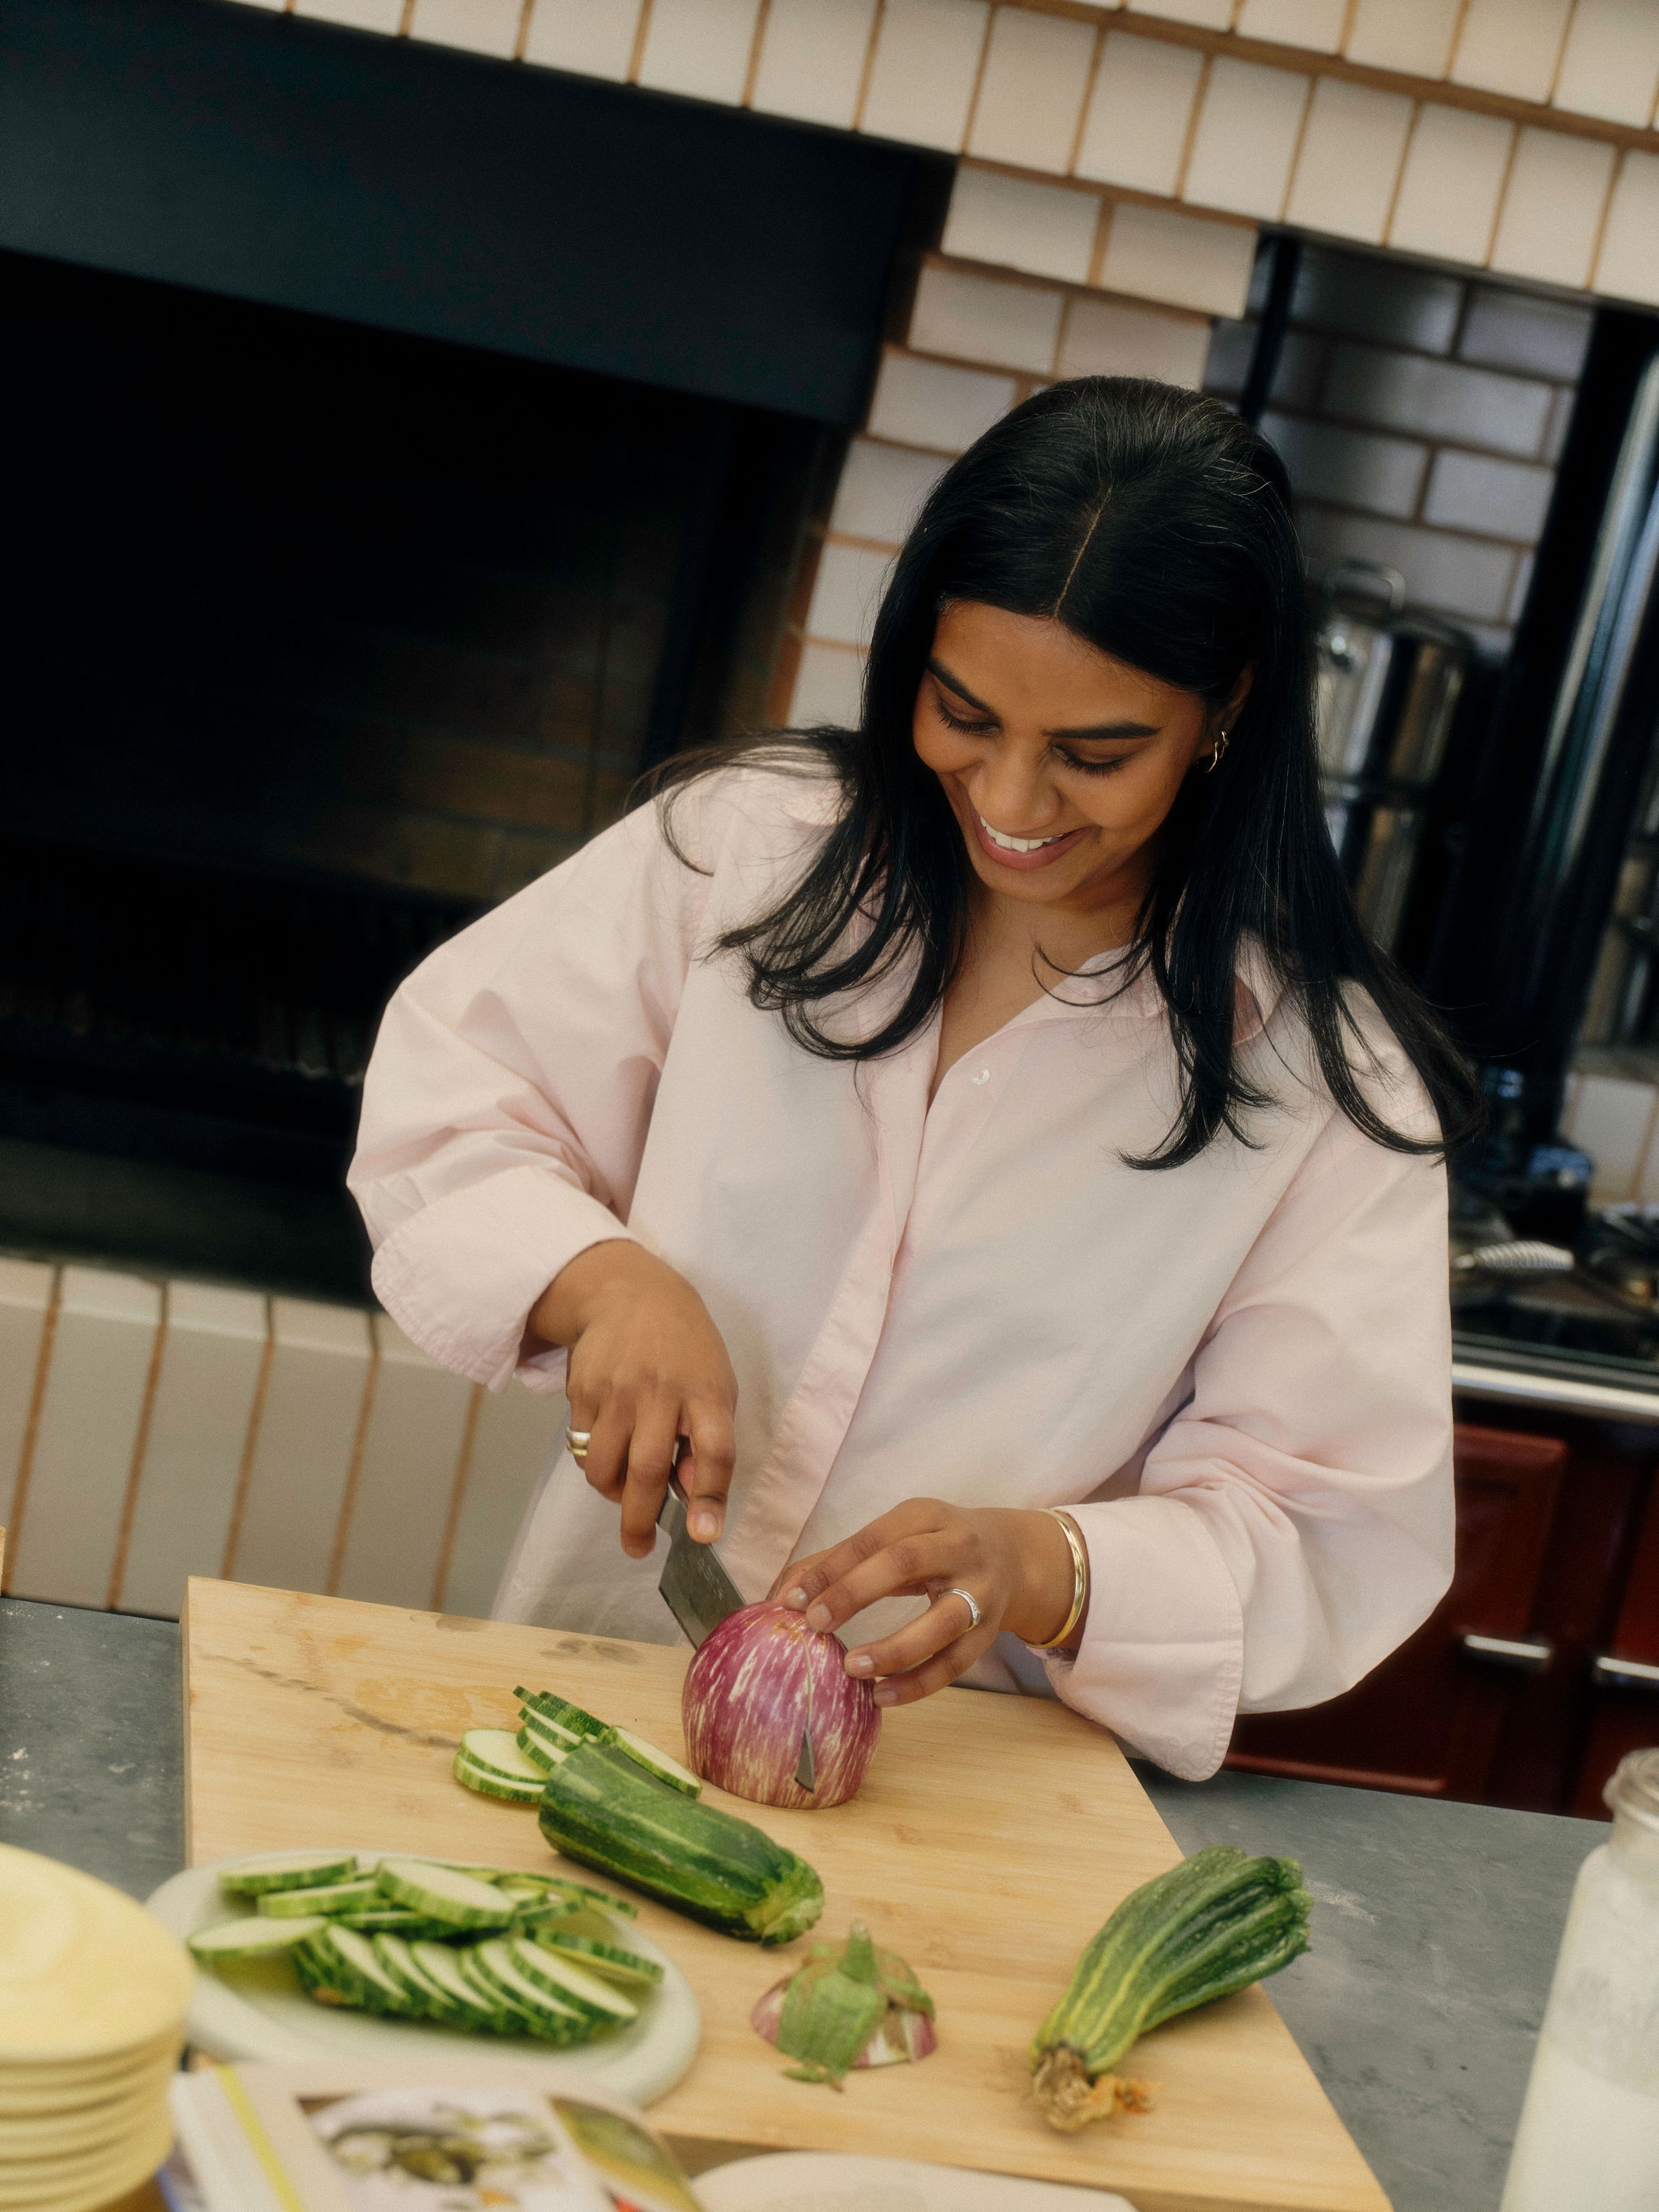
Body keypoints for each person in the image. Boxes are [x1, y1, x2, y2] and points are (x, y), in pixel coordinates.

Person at [348, 377, 1480, 1780]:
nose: (1009, 802)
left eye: (1094, 754)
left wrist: (1043, 1564)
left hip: (958, 1785)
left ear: (1228, 708)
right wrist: (602, 1280)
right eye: (965, 715)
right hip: (597, 1695)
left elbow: (1326, 1530)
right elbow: (452, 1086)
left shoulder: (1322, 1088)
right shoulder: (751, 850)